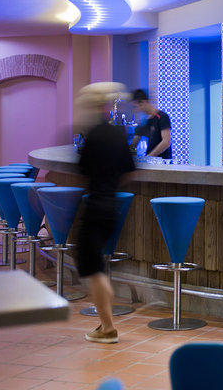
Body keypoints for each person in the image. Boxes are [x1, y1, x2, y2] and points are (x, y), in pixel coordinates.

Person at [74, 82, 136, 344]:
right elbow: (129, 171)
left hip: (95, 207)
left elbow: (82, 172)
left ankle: (108, 327)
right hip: (112, 207)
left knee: (92, 267)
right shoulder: (117, 133)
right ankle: (106, 323)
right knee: (95, 265)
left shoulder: (93, 136)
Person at [130, 89, 172, 159]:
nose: (135, 110)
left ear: (143, 102)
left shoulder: (162, 117)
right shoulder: (144, 121)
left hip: (162, 162)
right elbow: (134, 144)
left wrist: (149, 157)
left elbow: (166, 142)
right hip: (150, 161)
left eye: (135, 106)